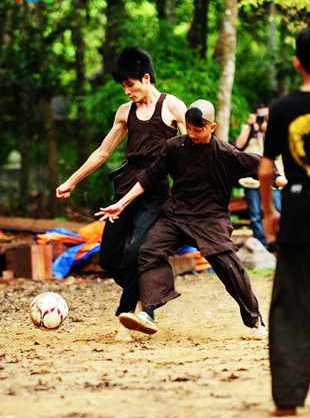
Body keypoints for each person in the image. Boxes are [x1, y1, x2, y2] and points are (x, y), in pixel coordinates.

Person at [96, 99, 286, 338]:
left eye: (199, 129)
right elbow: (149, 177)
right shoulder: (174, 147)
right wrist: (121, 204)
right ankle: (148, 310)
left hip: (210, 219)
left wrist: (281, 181)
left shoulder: (224, 153)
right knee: (149, 249)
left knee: (229, 266)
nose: (193, 134)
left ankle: (256, 322)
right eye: (190, 128)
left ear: (212, 127)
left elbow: (258, 164)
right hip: (175, 217)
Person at [56, 46, 187, 340]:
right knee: (109, 257)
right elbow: (103, 152)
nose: (126, 91)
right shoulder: (125, 113)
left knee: (135, 251)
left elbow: (194, 146)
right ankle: (147, 295)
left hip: (155, 193)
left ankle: (124, 321)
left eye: (129, 84)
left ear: (145, 78)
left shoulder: (173, 107)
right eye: (123, 86)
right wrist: (71, 181)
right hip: (125, 188)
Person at [259, 28, 310, 417]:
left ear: (297, 62)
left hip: (297, 212)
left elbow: (264, 169)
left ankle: (289, 398)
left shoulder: (282, 107)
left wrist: (270, 212)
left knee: (291, 307)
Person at [235, 103, 283, 249]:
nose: (263, 119)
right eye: (260, 116)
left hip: (273, 179)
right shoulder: (248, 129)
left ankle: (279, 245)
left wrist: (267, 129)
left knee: (278, 211)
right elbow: (238, 145)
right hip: (251, 181)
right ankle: (262, 247)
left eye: (266, 116)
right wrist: (250, 126)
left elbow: (282, 147)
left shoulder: (275, 129)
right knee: (255, 214)